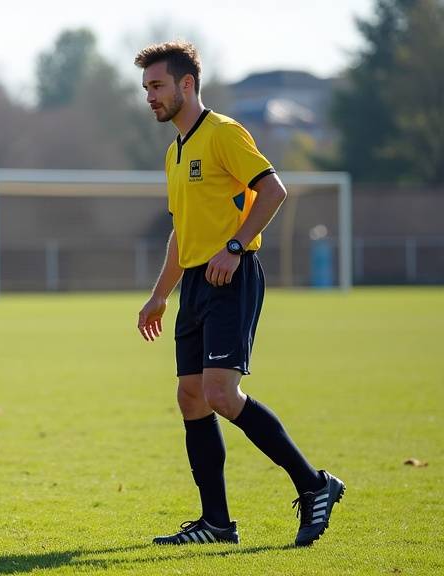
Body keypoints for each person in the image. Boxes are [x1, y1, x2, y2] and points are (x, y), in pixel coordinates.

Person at [133, 41, 344, 547]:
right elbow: (181, 232)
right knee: (191, 398)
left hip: (232, 276)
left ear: (187, 84)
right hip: (195, 284)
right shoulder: (174, 152)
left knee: (221, 394)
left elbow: (273, 190)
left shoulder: (224, 133)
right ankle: (217, 523)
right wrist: (160, 295)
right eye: (145, 88)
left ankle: (314, 484)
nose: (150, 96)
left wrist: (233, 246)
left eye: (157, 85)